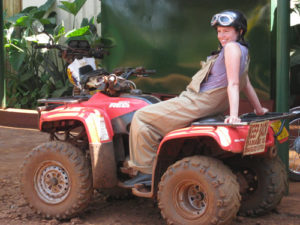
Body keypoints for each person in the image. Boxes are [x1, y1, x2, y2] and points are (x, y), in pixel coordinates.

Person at [121, 10, 269, 188]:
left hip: (199, 101)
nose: (221, 36)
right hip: (208, 103)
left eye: (226, 31)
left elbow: (235, 84)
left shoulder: (231, 48)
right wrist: (259, 109)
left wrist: (235, 115)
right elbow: (246, 83)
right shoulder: (243, 50)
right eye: (219, 31)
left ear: (240, 31)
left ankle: (145, 172)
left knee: (141, 117)